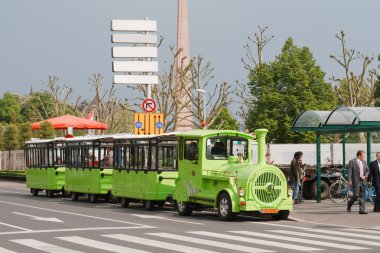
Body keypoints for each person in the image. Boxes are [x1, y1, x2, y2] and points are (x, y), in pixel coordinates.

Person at [347, 150, 369, 214]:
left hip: (363, 181)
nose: (364, 157)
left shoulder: (364, 162)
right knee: (356, 195)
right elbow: (349, 171)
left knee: (362, 195)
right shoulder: (352, 162)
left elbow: (368, 170)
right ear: (359, 156)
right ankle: (349, 205)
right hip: (355, 181)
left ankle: (362, 210)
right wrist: (349, 180)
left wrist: (365, 176)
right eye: (363, 155)